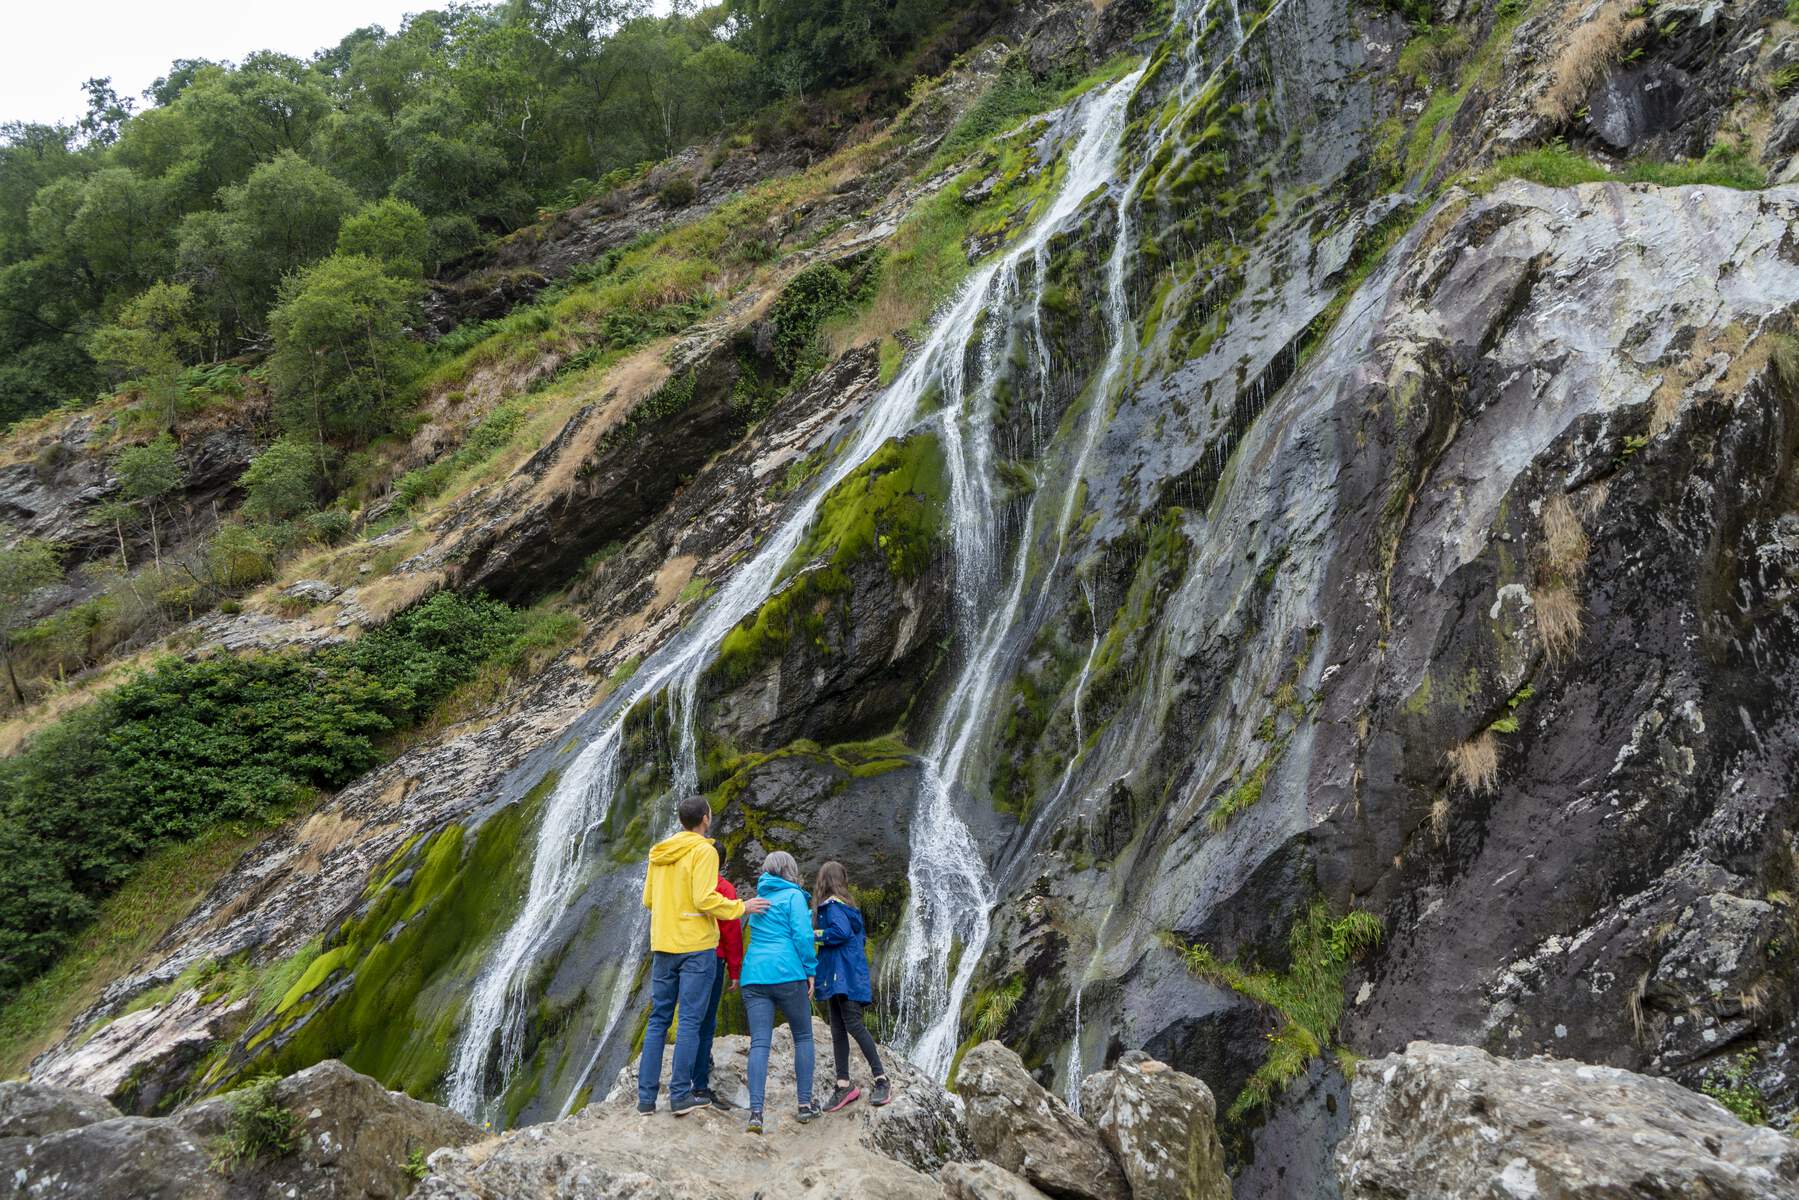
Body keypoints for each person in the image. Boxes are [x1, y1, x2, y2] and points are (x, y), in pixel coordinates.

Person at [637, 796, 769, 1116]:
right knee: (691, 1022)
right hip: (696, 947)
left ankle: (646, 1098)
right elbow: (704, 898)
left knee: (658, 1020)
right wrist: (741, 907)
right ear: (706, 819)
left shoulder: (660, 853)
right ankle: (681, 1094)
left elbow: (649, 900)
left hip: (663, 944)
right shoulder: (704, 850)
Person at [739, 850, 818, 1134]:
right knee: (803, 1036)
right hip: (787, 973)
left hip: (754, 975)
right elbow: (802, 935)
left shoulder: (757, 898)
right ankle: (805, 1105)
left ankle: (756, 1113)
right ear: (790, 870)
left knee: (760, 1042)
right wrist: (810, 969)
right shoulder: (794, 896)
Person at [812, 861, 891, 1111]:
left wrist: (814, 934)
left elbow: (840, 933)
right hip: (842, 976)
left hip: (843, 976)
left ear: (824, 881)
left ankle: (881, 1079)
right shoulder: (847, 907)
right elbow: (857, 936)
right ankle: (843, 1083)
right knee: (838, 1028)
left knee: (852, 1024)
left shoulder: (833, 907)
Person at [690, 839, 743, 1109]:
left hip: (683, 955)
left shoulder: (687, 883)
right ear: (722, 862)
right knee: (707, 1020)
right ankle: (699, 1083)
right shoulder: (723, 888)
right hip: (713, 958)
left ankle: (692, 1068)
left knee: (690, 1018)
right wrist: (736, 970)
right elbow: (732, 933)